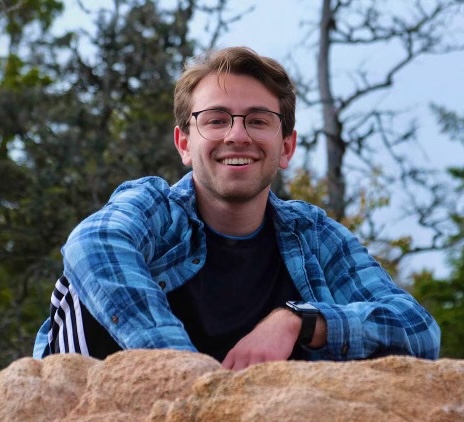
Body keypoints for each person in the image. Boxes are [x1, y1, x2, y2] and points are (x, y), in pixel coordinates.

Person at [33, 46, 440, 370]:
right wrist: (181, 366)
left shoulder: (314, 236)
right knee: (86, 277)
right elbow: (94, 243)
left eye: (259, 121)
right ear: (184, 144)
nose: (237, 135)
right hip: (113, 404)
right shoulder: (153, 208)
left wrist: (299, 320)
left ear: (286, 147)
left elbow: (417, 328)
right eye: (216, 120)